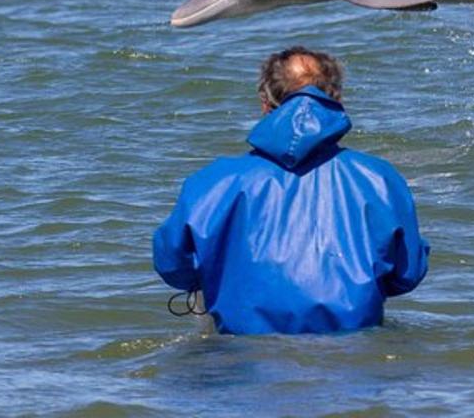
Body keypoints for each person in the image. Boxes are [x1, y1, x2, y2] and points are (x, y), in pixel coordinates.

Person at [153, 47, 429, 335]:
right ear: (337, 98)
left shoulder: (212, 181)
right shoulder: (379, 178)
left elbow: (173, 265)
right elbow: (407, 274)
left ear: (264, 102)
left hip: (244, 357)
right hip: (352, 358)